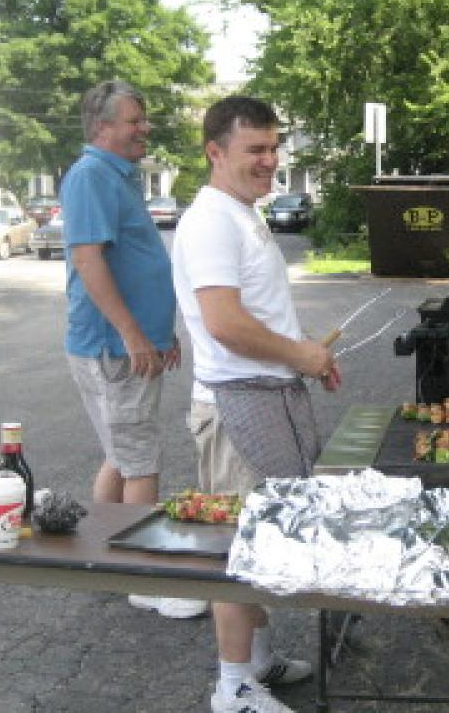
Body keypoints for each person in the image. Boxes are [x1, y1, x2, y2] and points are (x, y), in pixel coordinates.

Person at [172, 95, 341, 713]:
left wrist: (303, 352)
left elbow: (259, 314)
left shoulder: (243, 213)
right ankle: (233, 685)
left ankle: (260, 659)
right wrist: (299, 357)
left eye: (274, 148)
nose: (270, 161)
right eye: (255, 150)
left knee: (262, 533)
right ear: (215, 152)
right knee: (235, 545)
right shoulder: (212, 220)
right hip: (235, 403)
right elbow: (224, 323)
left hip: (267, 394)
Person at [60, 80, 206, 619]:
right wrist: (134, 334)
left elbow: (129, 260)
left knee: (122, 454)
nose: (145, 128)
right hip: (113, 349)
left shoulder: (115, 176)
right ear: (103, 126)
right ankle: (145, 576)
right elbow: (89, 261)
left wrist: (158, 333)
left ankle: (100, 554)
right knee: (140, 458)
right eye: (134, 120)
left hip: (128, 346)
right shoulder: (92, 175)